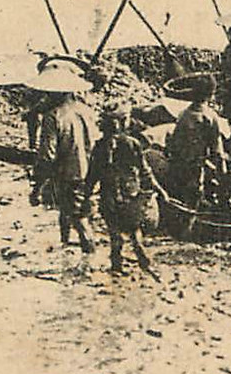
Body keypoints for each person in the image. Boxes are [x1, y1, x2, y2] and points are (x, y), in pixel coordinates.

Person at [80, 104, 168, 277]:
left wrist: (86, 196)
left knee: (114, 232)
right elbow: (145, 171)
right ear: (123, 122)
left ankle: (117, 265)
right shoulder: (132, 144)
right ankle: (142, 257)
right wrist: (160, 190)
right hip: (130, 194)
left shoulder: (99, 146)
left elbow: (92, 175)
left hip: (109, 195)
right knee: (134, 229)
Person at [30, 66, 98, 253]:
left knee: (79, 218)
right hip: (91, 171)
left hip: (69, 174)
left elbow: (47, 156)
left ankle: (90, 259)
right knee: (71, 210)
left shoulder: (53, 117)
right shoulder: (86, 110)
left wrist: (37, 186)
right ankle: (65, 245)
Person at [166, 73, 227, 212]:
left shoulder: (183, 114)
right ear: (211, 95)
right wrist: (222, 172)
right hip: (196, 167)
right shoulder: (210, 116)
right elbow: (217, 149)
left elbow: (175, 141)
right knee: (195, 200)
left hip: (178, 163)